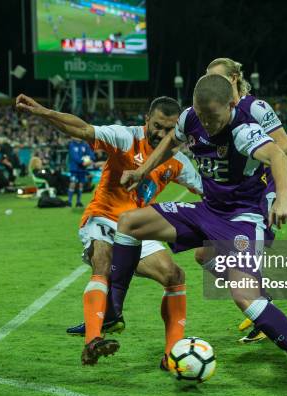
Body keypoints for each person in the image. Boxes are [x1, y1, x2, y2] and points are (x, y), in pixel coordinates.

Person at [105, 75, 287, 396]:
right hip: (207, 210)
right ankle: (112, 311)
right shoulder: (190, 117)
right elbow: (172, 139)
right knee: (129, 222)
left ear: (231, 105)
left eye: (213, 117)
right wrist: (144, 171)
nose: (208, 125)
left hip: (242, 219)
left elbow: (279, 155)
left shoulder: (243, 130)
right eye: (202, 116)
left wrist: (284, 196)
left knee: (245, 297)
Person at [16, 94, 202, 367]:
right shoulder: (126, 137)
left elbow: (209, 192)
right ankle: (93, 341)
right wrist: (45, 112)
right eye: (157, 126)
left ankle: (172, 355)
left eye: (169, 129)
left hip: (137, 228)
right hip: (103, 217)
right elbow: (81, 129)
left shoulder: (178, 162)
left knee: (174, 275)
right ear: (146, 120)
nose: (161, 133)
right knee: (102, 260)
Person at [202, 57, 287, 343]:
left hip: (260, 193)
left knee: (247, 257)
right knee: (205, 255)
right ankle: (262, 304)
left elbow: (286, 146)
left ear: (233, 79)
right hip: (233, 196)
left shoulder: (254, 107)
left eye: (217, 79)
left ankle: (262, 314)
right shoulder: (216, 110)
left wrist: (256, 156)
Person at [67, 138, 95, 207]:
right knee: (72, 183)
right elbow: (74, 156)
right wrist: (82, 162)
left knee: (81, 184)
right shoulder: (72, 145)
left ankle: (78, 202)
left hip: (82, 169)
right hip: (74, 168)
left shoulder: (85, 145)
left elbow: (91, 154)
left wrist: (91, 160)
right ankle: (69, 202)